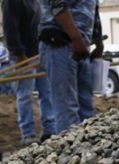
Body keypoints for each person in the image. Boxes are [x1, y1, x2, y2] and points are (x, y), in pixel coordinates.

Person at [38, 0, 104, 134]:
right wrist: (76, 38)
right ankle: (68, 151)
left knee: (85, 108)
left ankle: (87, 149)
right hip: (59, 43)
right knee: (66, 109)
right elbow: (57, 5)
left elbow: (93, 10)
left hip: (81, 46)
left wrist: (98, 42)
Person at [1, 0, 55, 144]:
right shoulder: (11, 2)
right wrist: (19, 53)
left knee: (47, 92)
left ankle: (50, 130)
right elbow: (9, 27)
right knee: (25, 95)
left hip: (39, 52)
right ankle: (28, 134)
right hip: (23, 55)